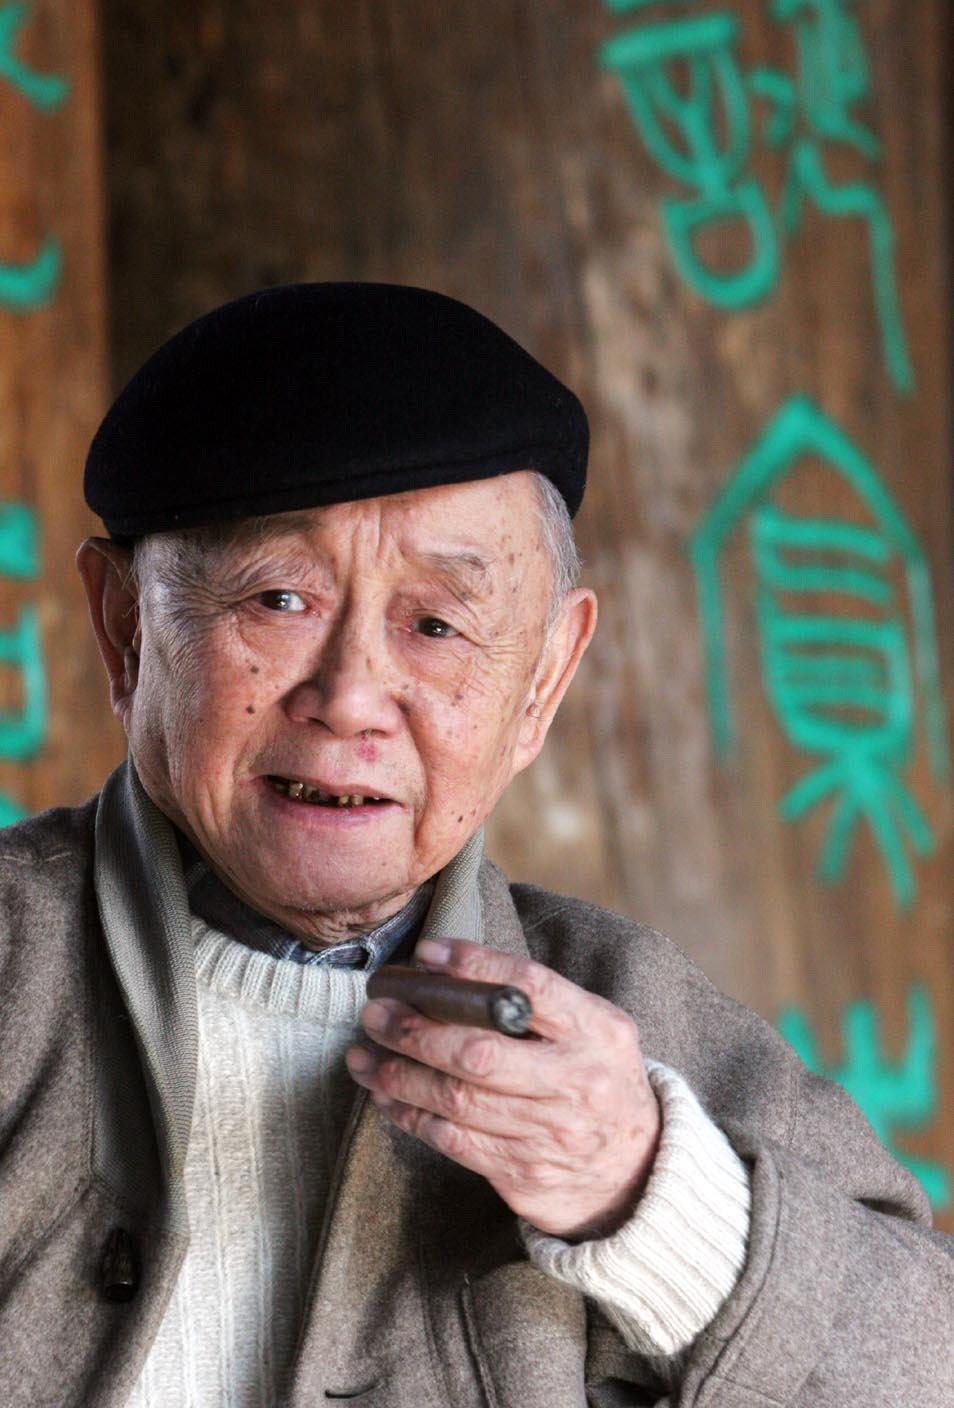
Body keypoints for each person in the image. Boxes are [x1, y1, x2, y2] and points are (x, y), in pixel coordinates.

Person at [0, 283, 950, 1408]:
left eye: (436, 624)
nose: (352, 697)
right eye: (278, 599)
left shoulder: (628, 1018)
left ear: (543, 680)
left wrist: (643, 1192)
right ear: (124, 630)